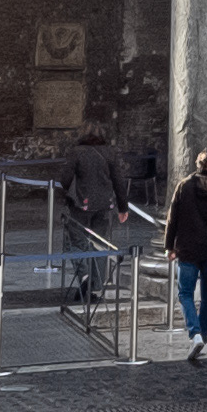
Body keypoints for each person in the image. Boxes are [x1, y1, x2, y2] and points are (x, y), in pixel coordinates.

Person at [164, 147, 207, 364]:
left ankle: (194, 333)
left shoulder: (184, 186)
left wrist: (170, 246)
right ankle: (203, 335)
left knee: (185, 293)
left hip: (187, 249)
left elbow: (172, 218)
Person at [61, 128, 131, 306]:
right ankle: (95, 286)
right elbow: (118, 181)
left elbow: (65, 178)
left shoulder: (76, 153)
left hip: (81, 205)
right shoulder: (110, 153)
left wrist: (65, 196)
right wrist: (123, 207)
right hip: (104, 206)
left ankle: (84, 275)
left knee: (73, 241)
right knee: (100, 244)